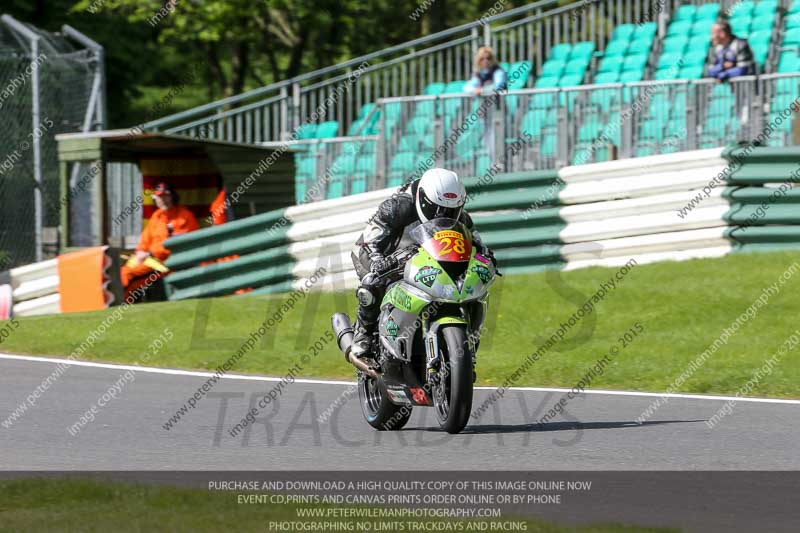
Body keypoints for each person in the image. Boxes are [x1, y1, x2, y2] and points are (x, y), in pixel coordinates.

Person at [349, 168, 494, 357]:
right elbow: (368, 241)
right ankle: (363, 334)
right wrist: (379, 262)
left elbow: (478, 244)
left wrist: (486, 257)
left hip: (424, 260)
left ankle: (466, 342)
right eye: (438, 209)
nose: (443, 215)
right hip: (383, 254)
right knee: (372, 282)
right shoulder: (397, 207)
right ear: (424, 200)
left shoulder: (462, 218)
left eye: (451, 211)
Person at [120, 182, 199, 299]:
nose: (163, 200)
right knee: (123, 272)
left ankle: (115, 304)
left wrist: (149, 254)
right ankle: (120, 303)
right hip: (151, 259)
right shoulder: (156, 216)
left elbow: (176, 246)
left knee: (128, 274)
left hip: (170, 263)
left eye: (166, 196)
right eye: (159, 197)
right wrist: (141, 252)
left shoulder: (185, 216)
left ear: (173, 197)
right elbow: (145, 239)